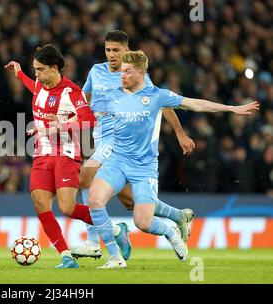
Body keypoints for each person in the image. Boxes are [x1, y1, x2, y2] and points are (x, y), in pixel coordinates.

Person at [88, 50, 259, 269]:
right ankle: (115, 258)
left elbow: (195, 104)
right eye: (121, 71)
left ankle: (170, 230)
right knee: (95, 200)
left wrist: (231, 108)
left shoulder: (158, 96)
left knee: (143, 222)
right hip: (117, 161)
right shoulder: (113, 96)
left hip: (144, 167)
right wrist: (60, 122)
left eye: (127, 72)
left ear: (141, 73)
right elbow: (86, 112)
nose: (122, 76)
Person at [73, 30, 196, 259]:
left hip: (117, 139)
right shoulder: (96, 71)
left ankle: (93, 241)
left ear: (126, 51)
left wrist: (180, 133)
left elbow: (161, 103)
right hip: (100, 137)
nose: (111, 54)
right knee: (131, 202)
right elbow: (84, 98)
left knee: (85, 177)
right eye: (108, 50)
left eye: (116, 50)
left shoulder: (133, 75)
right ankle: (177, 217)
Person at [4, 44, 108, 268]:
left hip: (66, 153)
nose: (37, 74)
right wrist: (19, 73)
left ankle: (115, 229)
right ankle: (66, 256)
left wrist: (61, 125)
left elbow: (90, 119)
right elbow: (35, 88)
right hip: (42, 153)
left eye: (40, 70)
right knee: (40, 202)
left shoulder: (71, 92)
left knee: (67, 208)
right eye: (35, 69)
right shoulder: (40, 86)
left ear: (54, 68)